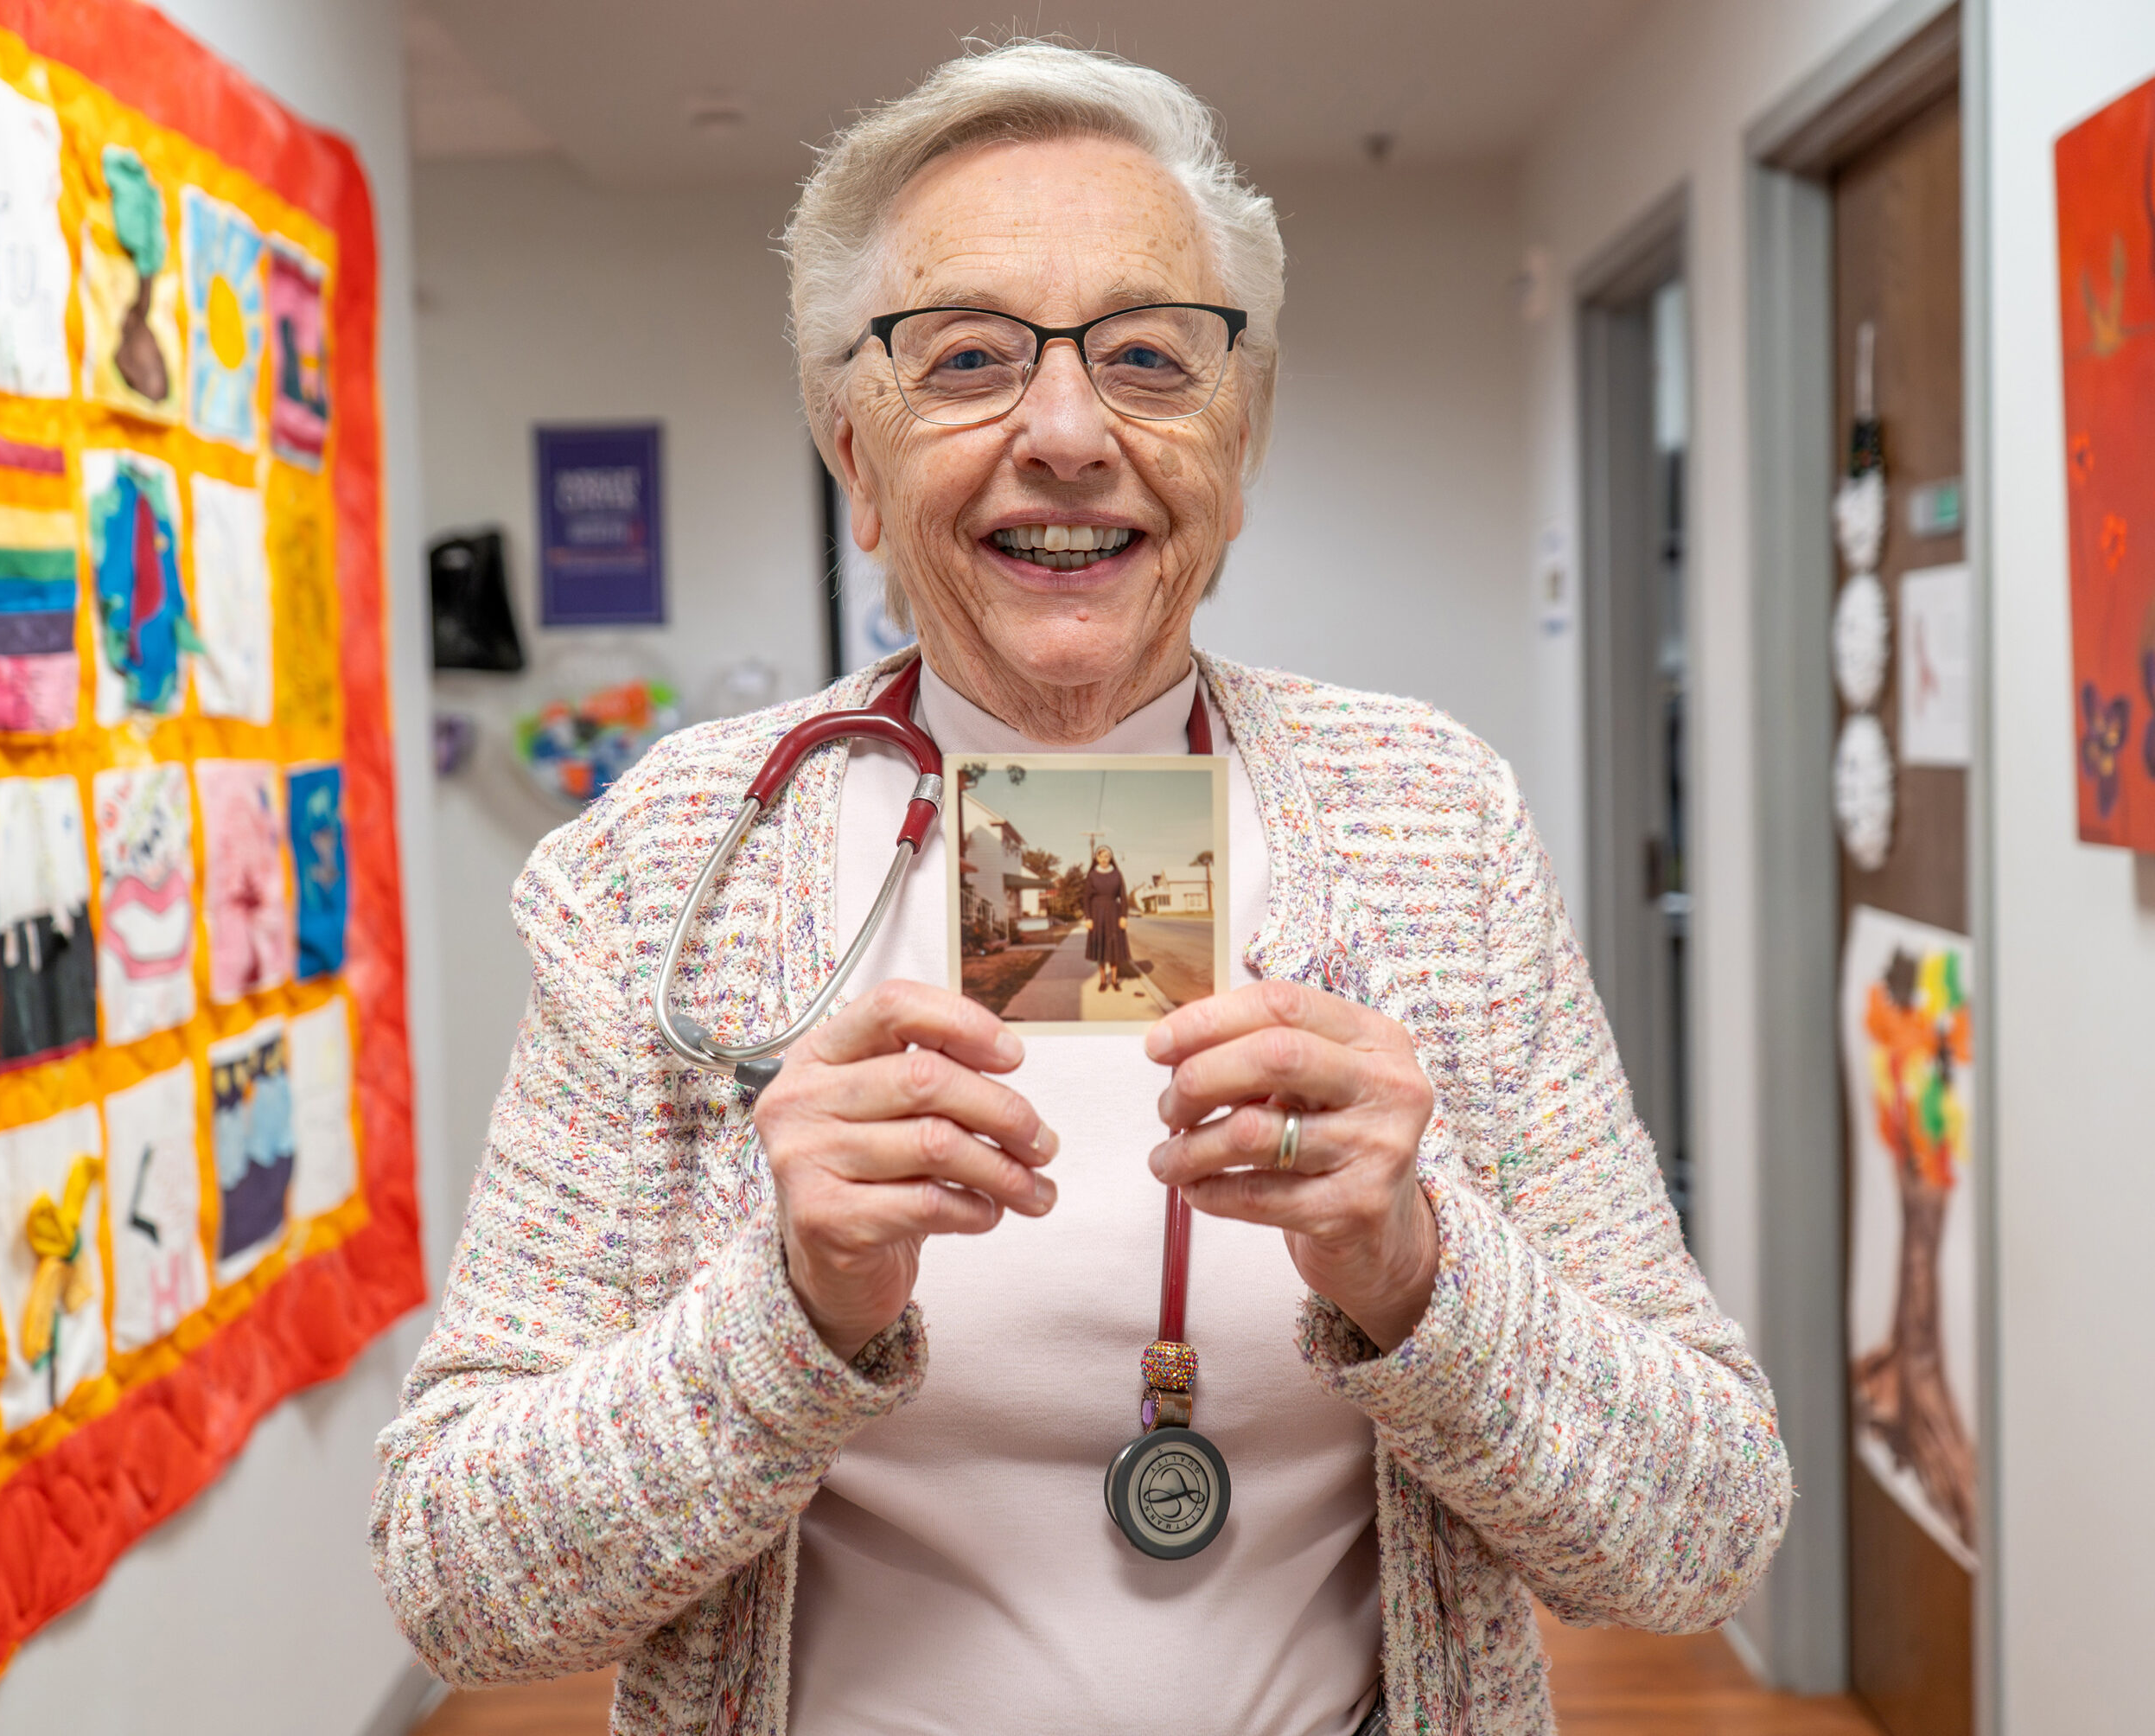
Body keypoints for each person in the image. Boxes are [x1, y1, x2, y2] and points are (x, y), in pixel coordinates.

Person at [372, 41, 1790, 1736]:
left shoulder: (1434, 819)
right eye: (964, 357)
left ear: (1238, 438)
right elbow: (457, 1569)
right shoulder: (674, 855)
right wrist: (791, 1307)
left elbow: (1700, 1537)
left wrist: (1417, 1265)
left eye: (1145, 357)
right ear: (853, 453)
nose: (1064, 430)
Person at [1084, 844, 1131, 992]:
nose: (1104, 859)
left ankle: (1115, 980)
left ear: (1111, 858)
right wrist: (1088, 918)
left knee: (1114, 949)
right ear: (1097, 858)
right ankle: (1103, 980)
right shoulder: (1092, 875)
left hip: (1113, 912)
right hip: (1097, 914)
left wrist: (1123, 916)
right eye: (1101, 856)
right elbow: (1086, 898)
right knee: (1100, 949)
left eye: (1107, 856)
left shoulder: (1117, 874)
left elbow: (1123, 896)